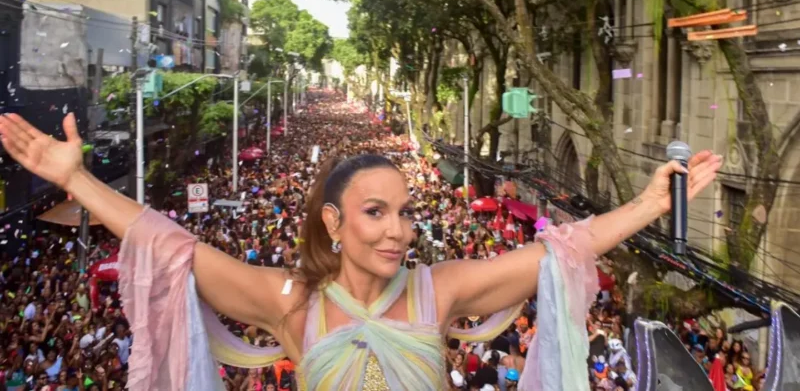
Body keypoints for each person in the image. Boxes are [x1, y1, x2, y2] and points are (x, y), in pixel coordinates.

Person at [0, 112, 723, 390]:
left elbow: (560, 249)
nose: (396, 230)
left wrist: (651, 205)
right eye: (374, 212)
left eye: (404, 213)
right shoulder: (292, 303)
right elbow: (171, 244)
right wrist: (79, 180)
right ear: (332, 223)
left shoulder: (441, 289)